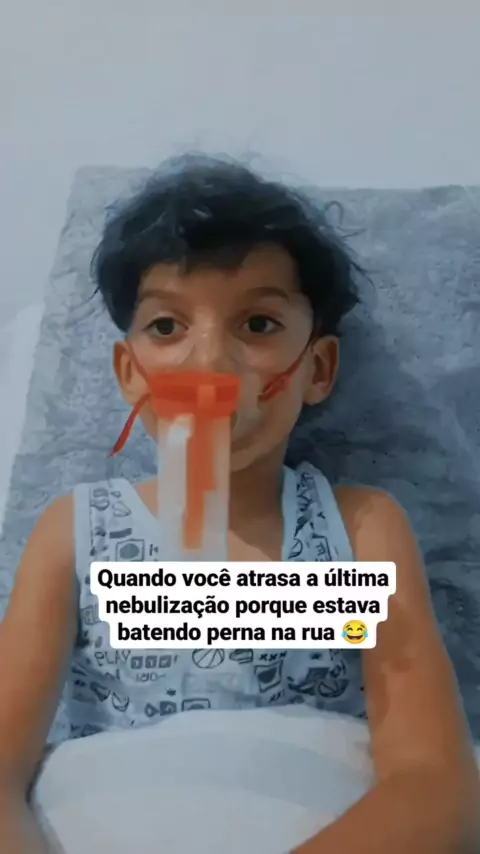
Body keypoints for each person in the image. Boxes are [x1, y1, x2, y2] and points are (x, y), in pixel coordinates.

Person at [0, 156, 478, 853]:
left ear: (316, 369)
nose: (209, 366)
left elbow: (436, 786)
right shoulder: (75, 533)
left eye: (256, 323)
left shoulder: (361, 529)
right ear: (130, 374)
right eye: (167, 327)